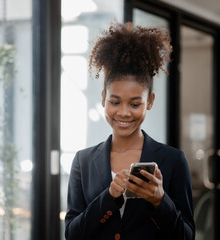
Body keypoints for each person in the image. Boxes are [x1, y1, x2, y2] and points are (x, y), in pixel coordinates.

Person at [64, 21, 195, 240]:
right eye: (115, 102)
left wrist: (159, 200)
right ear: (104, 98)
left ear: (150, 102)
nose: (124, 113)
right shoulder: (83, 161)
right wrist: (110, 196)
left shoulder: (173, 161)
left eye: (135, 104)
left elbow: (186, 236)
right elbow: (72, 235)